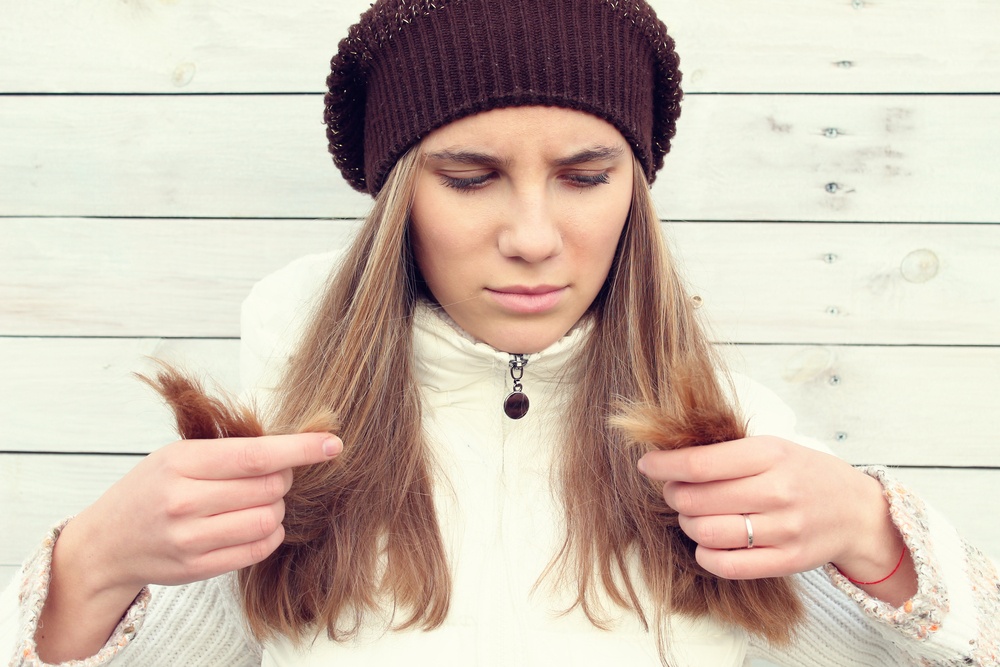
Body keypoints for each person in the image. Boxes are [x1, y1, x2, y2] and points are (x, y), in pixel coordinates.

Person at [3, 0, 999, 665]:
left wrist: (881, 537)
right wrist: (89, 565)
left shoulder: (735, 437)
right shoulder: (276, 438)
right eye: (470, 176)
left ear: (636, 190)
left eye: (584, 174)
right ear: (398, 198)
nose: (530, 237)